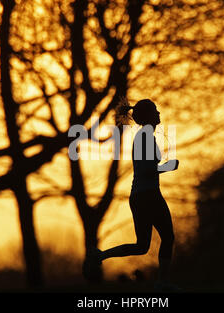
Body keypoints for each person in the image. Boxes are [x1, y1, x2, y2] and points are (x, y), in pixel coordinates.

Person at [84, 99, 180, 291]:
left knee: (142, 246)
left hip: (139, 196)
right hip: (149, 195)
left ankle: (101, 256)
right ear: (149, 116)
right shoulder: (145, 137)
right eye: (155, 111)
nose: (159, 113)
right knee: (167, 238)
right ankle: (162, 283)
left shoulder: (143, 136)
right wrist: (168, 167)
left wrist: (162, 167)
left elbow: (146, 169)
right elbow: (146, 171)